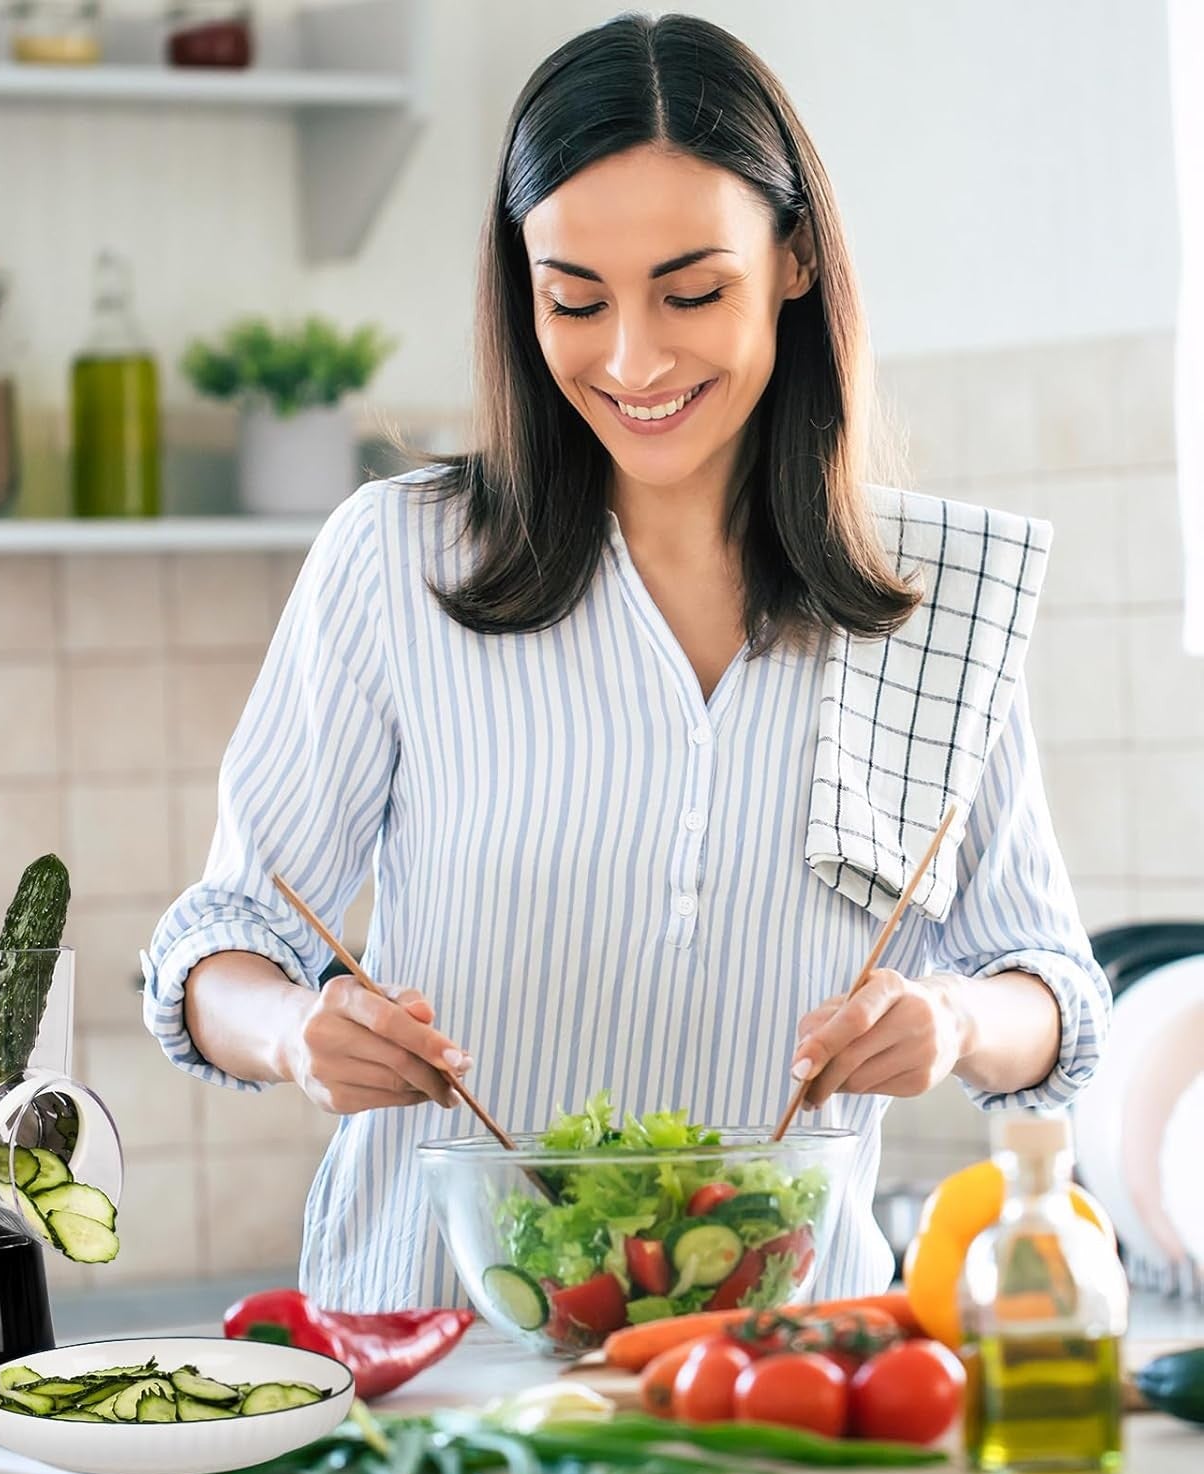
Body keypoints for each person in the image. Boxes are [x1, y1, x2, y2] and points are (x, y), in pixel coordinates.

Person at [142, 13, 1109, 1312]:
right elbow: (220, 937)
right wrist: (291, 1036)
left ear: (796, 260)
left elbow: (1052, 992)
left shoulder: (931, 601)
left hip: (777, 1371)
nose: (633, 360)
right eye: (575, 300)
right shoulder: (397, 559)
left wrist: (956, 1021)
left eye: (691, 292)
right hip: (434, 1361)